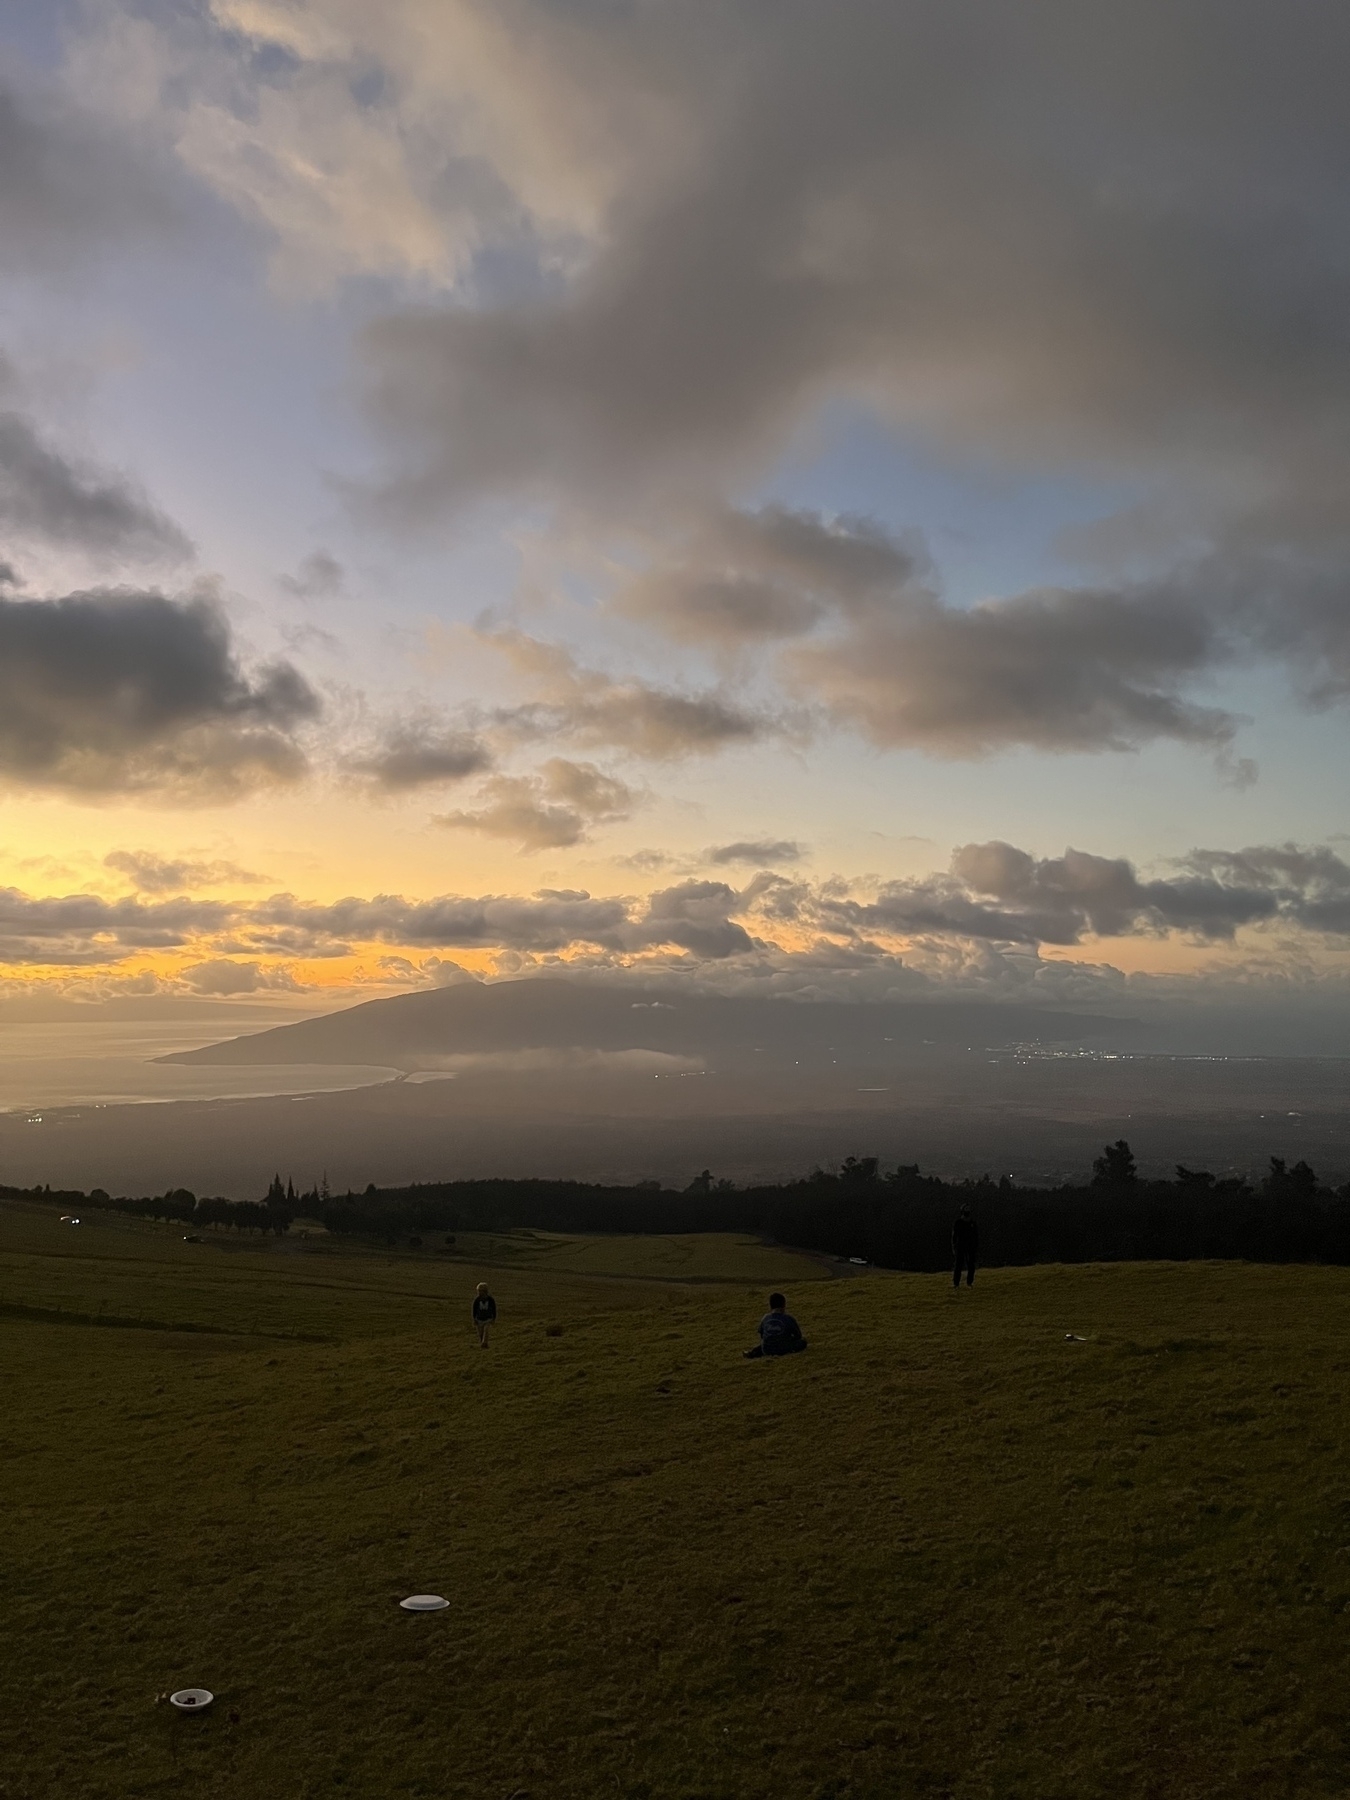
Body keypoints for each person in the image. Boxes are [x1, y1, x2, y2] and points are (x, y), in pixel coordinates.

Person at [743, 1292, 807, 1358]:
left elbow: (762, 1335)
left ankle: (752, 1353)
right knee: (803, 1342)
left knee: (767, 1344)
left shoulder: (765, 1318)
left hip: (766, 1349)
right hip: (784, 1349)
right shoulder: (788, 1318)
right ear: (784, 1305)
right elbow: (798, 1335)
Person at [952, 1206, 978, 1288]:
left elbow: (976, 1236)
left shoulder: (973, 1223)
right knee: (958, 1265)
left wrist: (976, 1246)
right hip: (960, 1246)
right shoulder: (958, 1222)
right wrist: (954, 1246)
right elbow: (954, 1236)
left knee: (971, 1265)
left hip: (970, 1247)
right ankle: (956, 1284)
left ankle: (969, 1283)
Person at [472, 1281, 497, 1347]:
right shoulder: (477, 1300)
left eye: (481, 1291)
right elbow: (474, 1310)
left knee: (486, 1330)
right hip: (479, 1319)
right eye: (479, 1291)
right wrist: (474, 1319)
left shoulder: (490, 1300)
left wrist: (494, 1318)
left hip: (488, 1319)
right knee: (481, 1333)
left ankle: (484, 1342)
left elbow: (494, 1309)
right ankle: (483, 1344)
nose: (480, 1293)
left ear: (485, 1291)